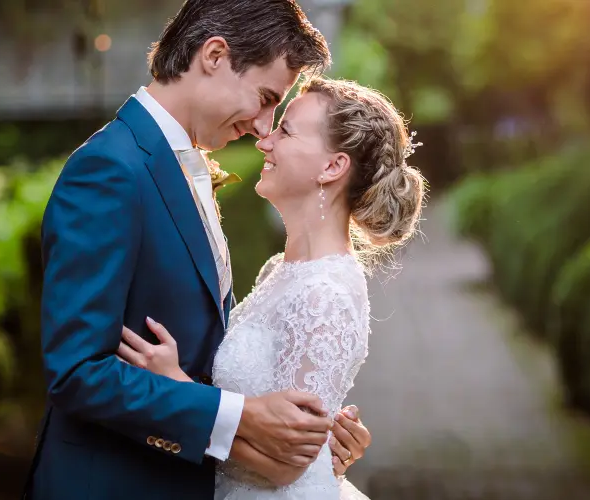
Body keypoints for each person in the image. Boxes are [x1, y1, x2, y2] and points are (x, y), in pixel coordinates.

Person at [23, 1, 374, 499]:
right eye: (266, 97)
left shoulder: (185, 165)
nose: (263, 126)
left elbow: (211, 347)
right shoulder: (109, 171)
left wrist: (309, 436)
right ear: (214, 55)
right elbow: (78, 372)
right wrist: (245, 417)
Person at [118, 77, 426, 498]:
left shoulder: (325, 294)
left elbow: (287, 465)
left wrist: (177, 389)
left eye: (286, 130)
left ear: (332, 167)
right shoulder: (279, 270)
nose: (265, 140)